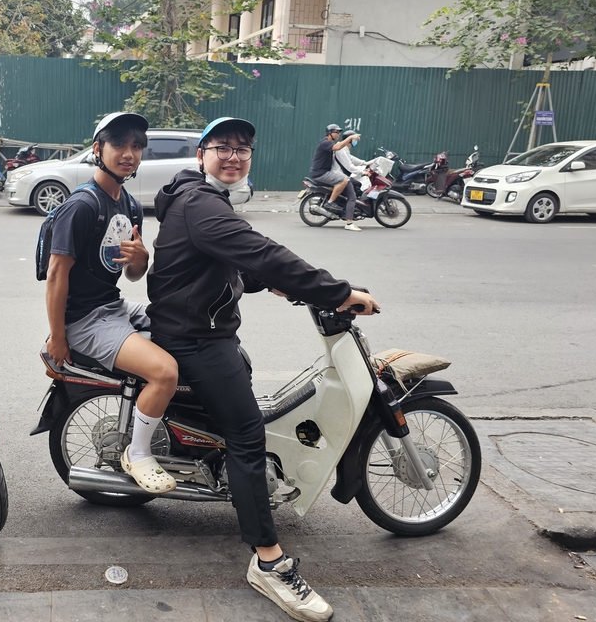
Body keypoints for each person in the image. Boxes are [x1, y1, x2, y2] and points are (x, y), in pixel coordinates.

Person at [147, 117, 379, 622]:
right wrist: (338, 292)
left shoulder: (200, 200)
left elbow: (226, 262)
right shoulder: (200, 204)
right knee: (248, 436)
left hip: (201, 324)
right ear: (202, 153)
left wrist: (270, 283)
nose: (234, 157)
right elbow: (261, 251)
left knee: (244, 388)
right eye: (223, 148)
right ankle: (269, 563)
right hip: (194, 337)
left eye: (243, 150)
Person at [45, 112, 179, 494]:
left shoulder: (131, 206)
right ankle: (137, 453)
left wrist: (141, 259)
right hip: (84, 320)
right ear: (97, 148)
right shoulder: (82, 206)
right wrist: (59, 337)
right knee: (166, 372)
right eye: (119, 144)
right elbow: (57, 276)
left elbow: (132, 275)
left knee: (185, 328)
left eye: (136, 146)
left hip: (112, 308)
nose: (129, 154)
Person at [309, 124, 362, 231]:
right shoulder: (325, 143)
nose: (338, 134)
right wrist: (350, 138)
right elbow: (337, 147)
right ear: (329, 133)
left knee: (348, 185)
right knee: (344, 180)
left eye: (339, 133)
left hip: (324, 172)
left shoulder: (330, 144)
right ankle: (331, 203)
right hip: (320, 173)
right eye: (336, 132)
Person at [333, 129, 370, 194]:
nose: (355, 141)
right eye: (354, 139)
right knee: (355, 191)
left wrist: (366, 163)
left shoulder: (345, 148)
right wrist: (363, 172)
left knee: (358, 184)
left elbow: (352, 159)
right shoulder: (341, 150)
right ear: (349, 140)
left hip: (341, 175)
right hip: (339, 175)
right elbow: (349, 166)